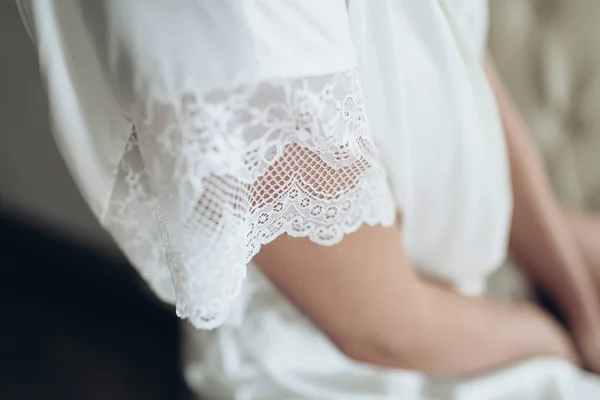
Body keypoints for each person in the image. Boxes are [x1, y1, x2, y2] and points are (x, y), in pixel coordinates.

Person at [16, 0, 600, 398]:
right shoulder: (222, 24)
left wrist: (574, 288)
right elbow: (381, 327)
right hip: (349, 365)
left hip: (471, 247)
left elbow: (452, 49)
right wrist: (561, 340)